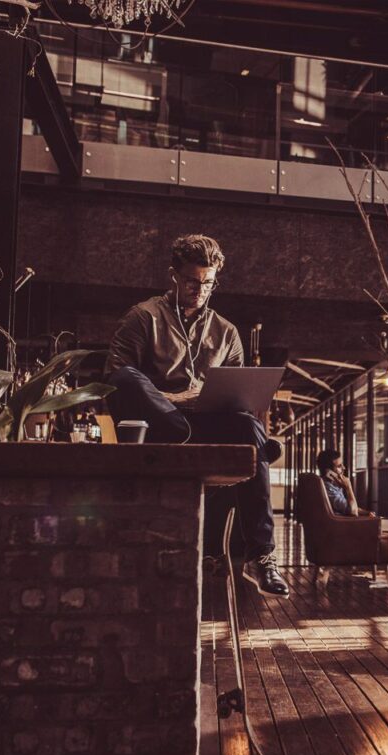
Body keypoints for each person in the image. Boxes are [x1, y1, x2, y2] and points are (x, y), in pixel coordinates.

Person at [104, 234, 289, 597]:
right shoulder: (144, 317)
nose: (200, 290)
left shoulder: (227, 332)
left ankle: (261, 555)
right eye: (192, 281)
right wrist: (173, 398)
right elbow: (115, 384)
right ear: (174, 275)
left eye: (208, 283)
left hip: (205, 421)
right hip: (162, 423)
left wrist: (220, 402)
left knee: (249, 424)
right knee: (126, 378)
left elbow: (237, 397)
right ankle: (256, 452)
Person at [317, 449, 369, 517]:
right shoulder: (328, 488)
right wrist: (348, 487)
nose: (344, 468)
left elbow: (347, 507)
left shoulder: (333, 485)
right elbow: (353, 512)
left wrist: (366, 513)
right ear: (329, 472)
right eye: (339, 466)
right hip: (338, 525)